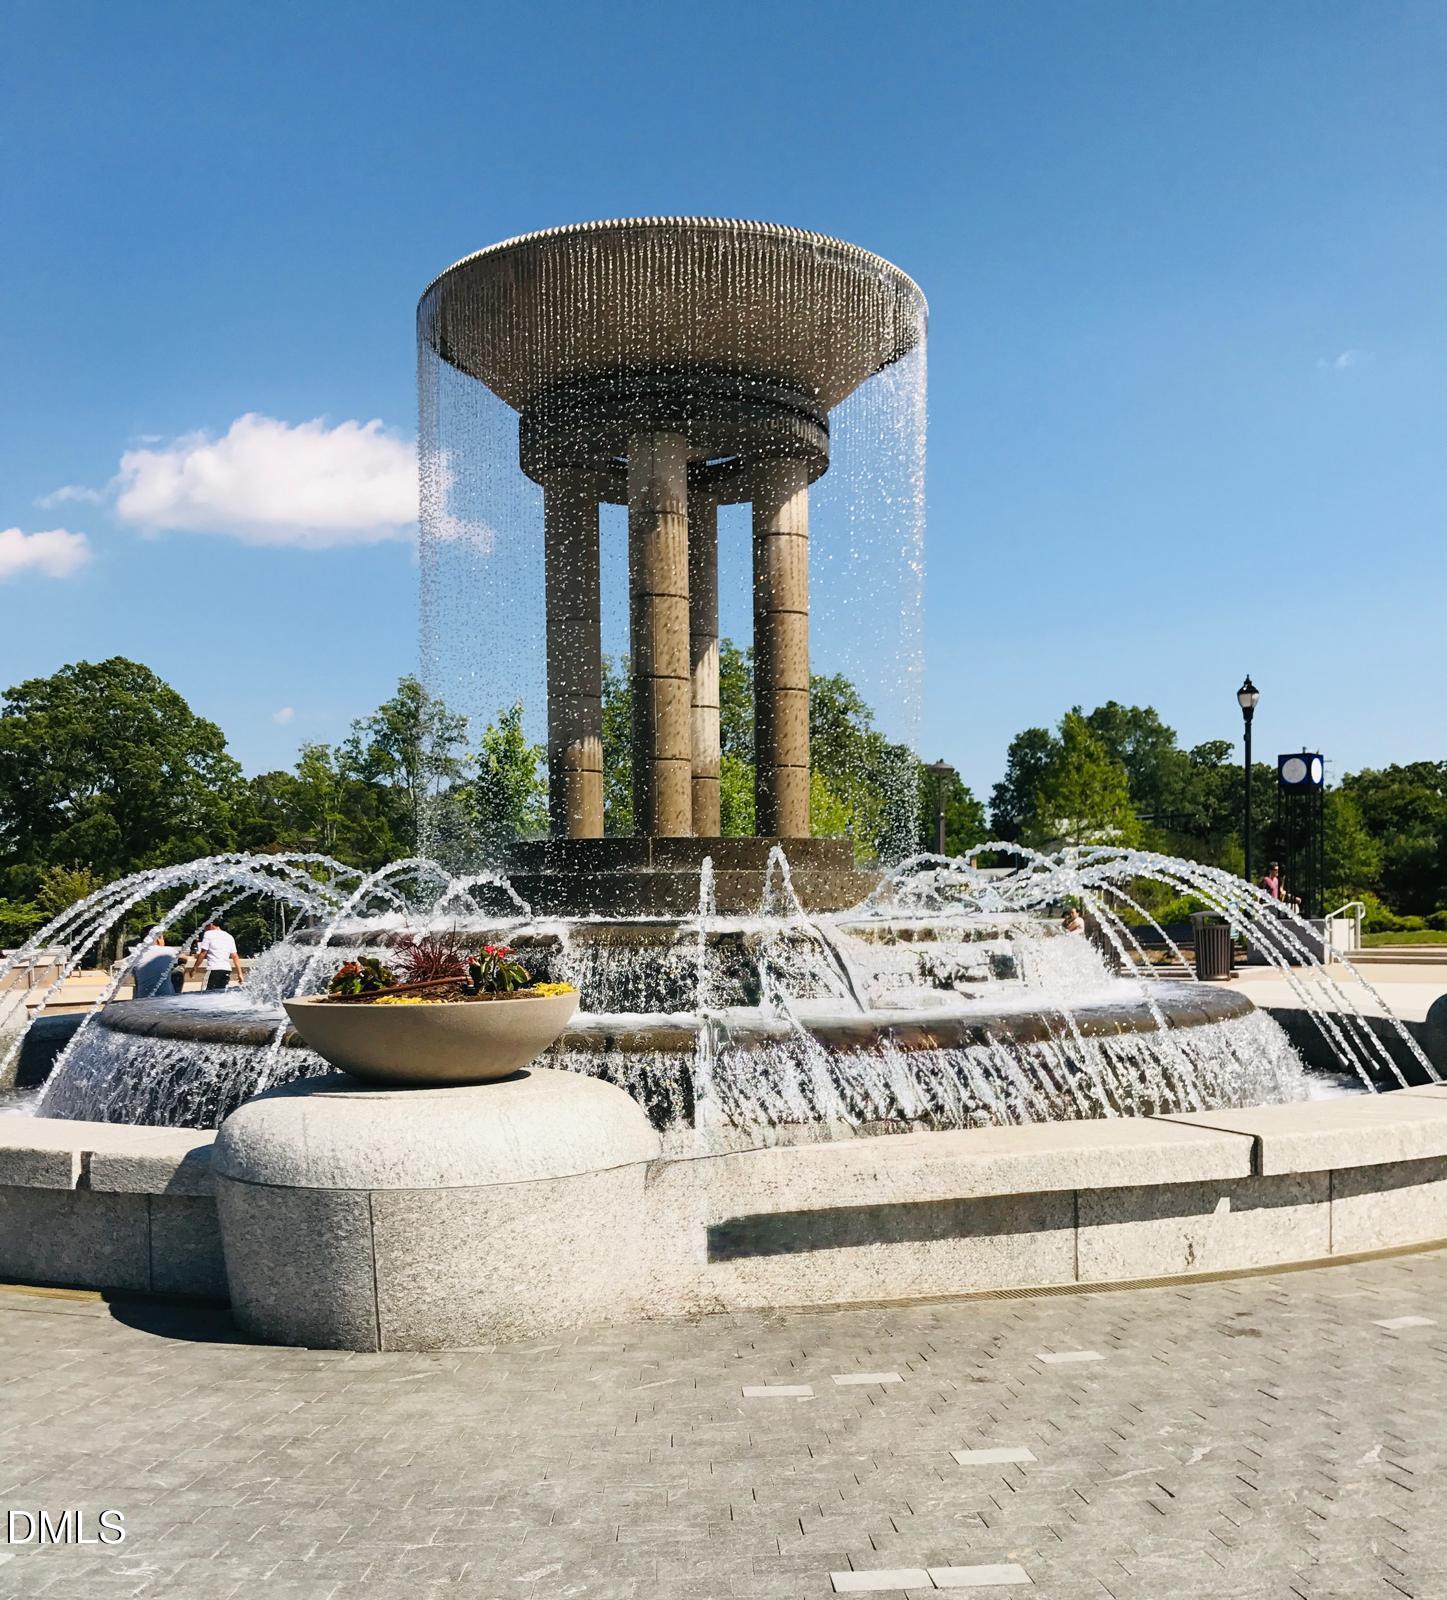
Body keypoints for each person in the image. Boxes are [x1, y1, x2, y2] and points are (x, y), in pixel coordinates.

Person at [190, 919, 244, 992]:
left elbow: (203, 953)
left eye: (206, 926)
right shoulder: (229, 936)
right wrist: (240, 974)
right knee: (220, 995)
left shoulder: (208, 934)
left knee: (206, 994)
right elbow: (235, 956)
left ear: (211, 924)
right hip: (226, 970)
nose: (205, 929)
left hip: (213, 969)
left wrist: (194, 968)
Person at [129, 935, 180, 999]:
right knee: (179, 969)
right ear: (158, 939)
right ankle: (176, 996)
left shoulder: (136, 954)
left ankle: (137, 999)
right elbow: (185, 958)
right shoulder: (168, 950)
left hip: (143, 999)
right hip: (165, 999)